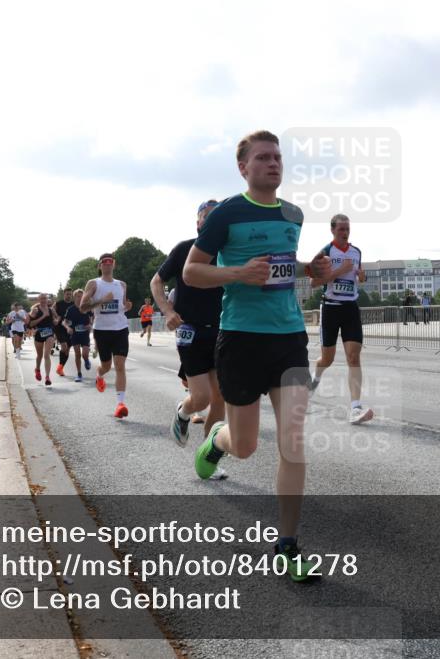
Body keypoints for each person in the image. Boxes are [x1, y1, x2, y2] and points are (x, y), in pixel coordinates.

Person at [183, 129, 333, 580]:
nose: (274, 164)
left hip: (288, 336)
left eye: (278, 157)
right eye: (263, 158)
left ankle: (287, 544)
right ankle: (217, 441)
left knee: (292, 439)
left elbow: (285, 264)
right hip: (241, 338)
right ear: (243, 167)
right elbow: (192, 272)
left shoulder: (294, 214)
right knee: (246, 447)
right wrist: (238, 273)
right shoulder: (226, 213)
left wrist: (313, 269)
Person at [152, 198, 226, 446]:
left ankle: (208, 457)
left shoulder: (229, 252)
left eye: (218, 215)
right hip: (190, 330)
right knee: (202, 398)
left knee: (220, 398)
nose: (212, 219)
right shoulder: (184, 249)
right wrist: (167, 311)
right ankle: (183, 412)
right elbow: (156, 281)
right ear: (198, 223)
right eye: (207, 215)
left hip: (221, 330)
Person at [306, 213, 374, 424]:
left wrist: (361, 277)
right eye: (341, 229)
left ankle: (355, 407)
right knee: (327, 359)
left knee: (353, 357)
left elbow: (358, 277)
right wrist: (339, 271)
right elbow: (313, 283)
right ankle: (314, 380)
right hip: (331, 308)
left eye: (347, 229)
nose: (345, 233)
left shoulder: (356, 252)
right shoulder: (325, 252)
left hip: (350, 308)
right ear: (333, 230)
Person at [81, 254, 133, 418]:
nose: (108, 264)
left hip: (121, 328)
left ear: (114, 265)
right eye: (105, 262)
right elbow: (83, 307)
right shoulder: (94, 284)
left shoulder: (122, 285)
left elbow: (121, 306)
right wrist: (102, 300)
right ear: (100, 266)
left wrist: (127, 307)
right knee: (106, 366)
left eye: (111, 261)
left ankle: (120, 404)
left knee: (119, 365)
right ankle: (99, 375)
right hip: (102, 330)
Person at [28, 293, 59, 386]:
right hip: (39, 334)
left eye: (45, 298)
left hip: (49, 333)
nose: (43, 300)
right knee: (40, 355)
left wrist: (55, 321)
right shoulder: (35, 310)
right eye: (41, 298)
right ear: (39, 299)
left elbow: (57, 319)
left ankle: (47, 377)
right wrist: (43, 316)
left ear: (47, 299)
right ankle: (37, 369)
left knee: (46, 355)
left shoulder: (51, 310)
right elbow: (31, 324)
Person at [63, 289, 93, 382]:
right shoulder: (70, 309)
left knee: (84, 354)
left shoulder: (86, 307)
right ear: (74, 297)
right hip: (75, 334)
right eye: (78, 296)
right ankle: (79, 374)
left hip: (84, 334)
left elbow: (92, 317)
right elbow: (64, 322)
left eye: (82, 296)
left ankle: (86, 360)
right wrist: (68, 328)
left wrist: (90, 325)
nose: (80, 298)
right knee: (77, 354)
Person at [53, 288, 75, 376]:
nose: (68, 296)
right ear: (64, 294)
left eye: (70, 294)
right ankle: (60, 368)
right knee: (64, 346)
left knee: (67, 350)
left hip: (70, 329)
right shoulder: (58, 303)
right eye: (67, 294)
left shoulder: (74, 304)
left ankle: (60, 368)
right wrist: (56, 318)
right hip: (60, 328)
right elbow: (52, 310)